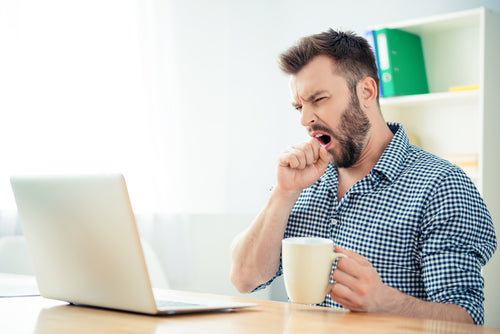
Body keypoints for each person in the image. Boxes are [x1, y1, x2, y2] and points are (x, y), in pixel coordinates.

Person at [229, 29, 496, 325]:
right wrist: (282, 194)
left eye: (318, 99)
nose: (305, 120)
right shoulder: (302, 180)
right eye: (299, 106)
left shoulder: (442, 186)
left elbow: (466, 322)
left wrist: (385, 302)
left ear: (366, 91)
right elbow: (244, 279)